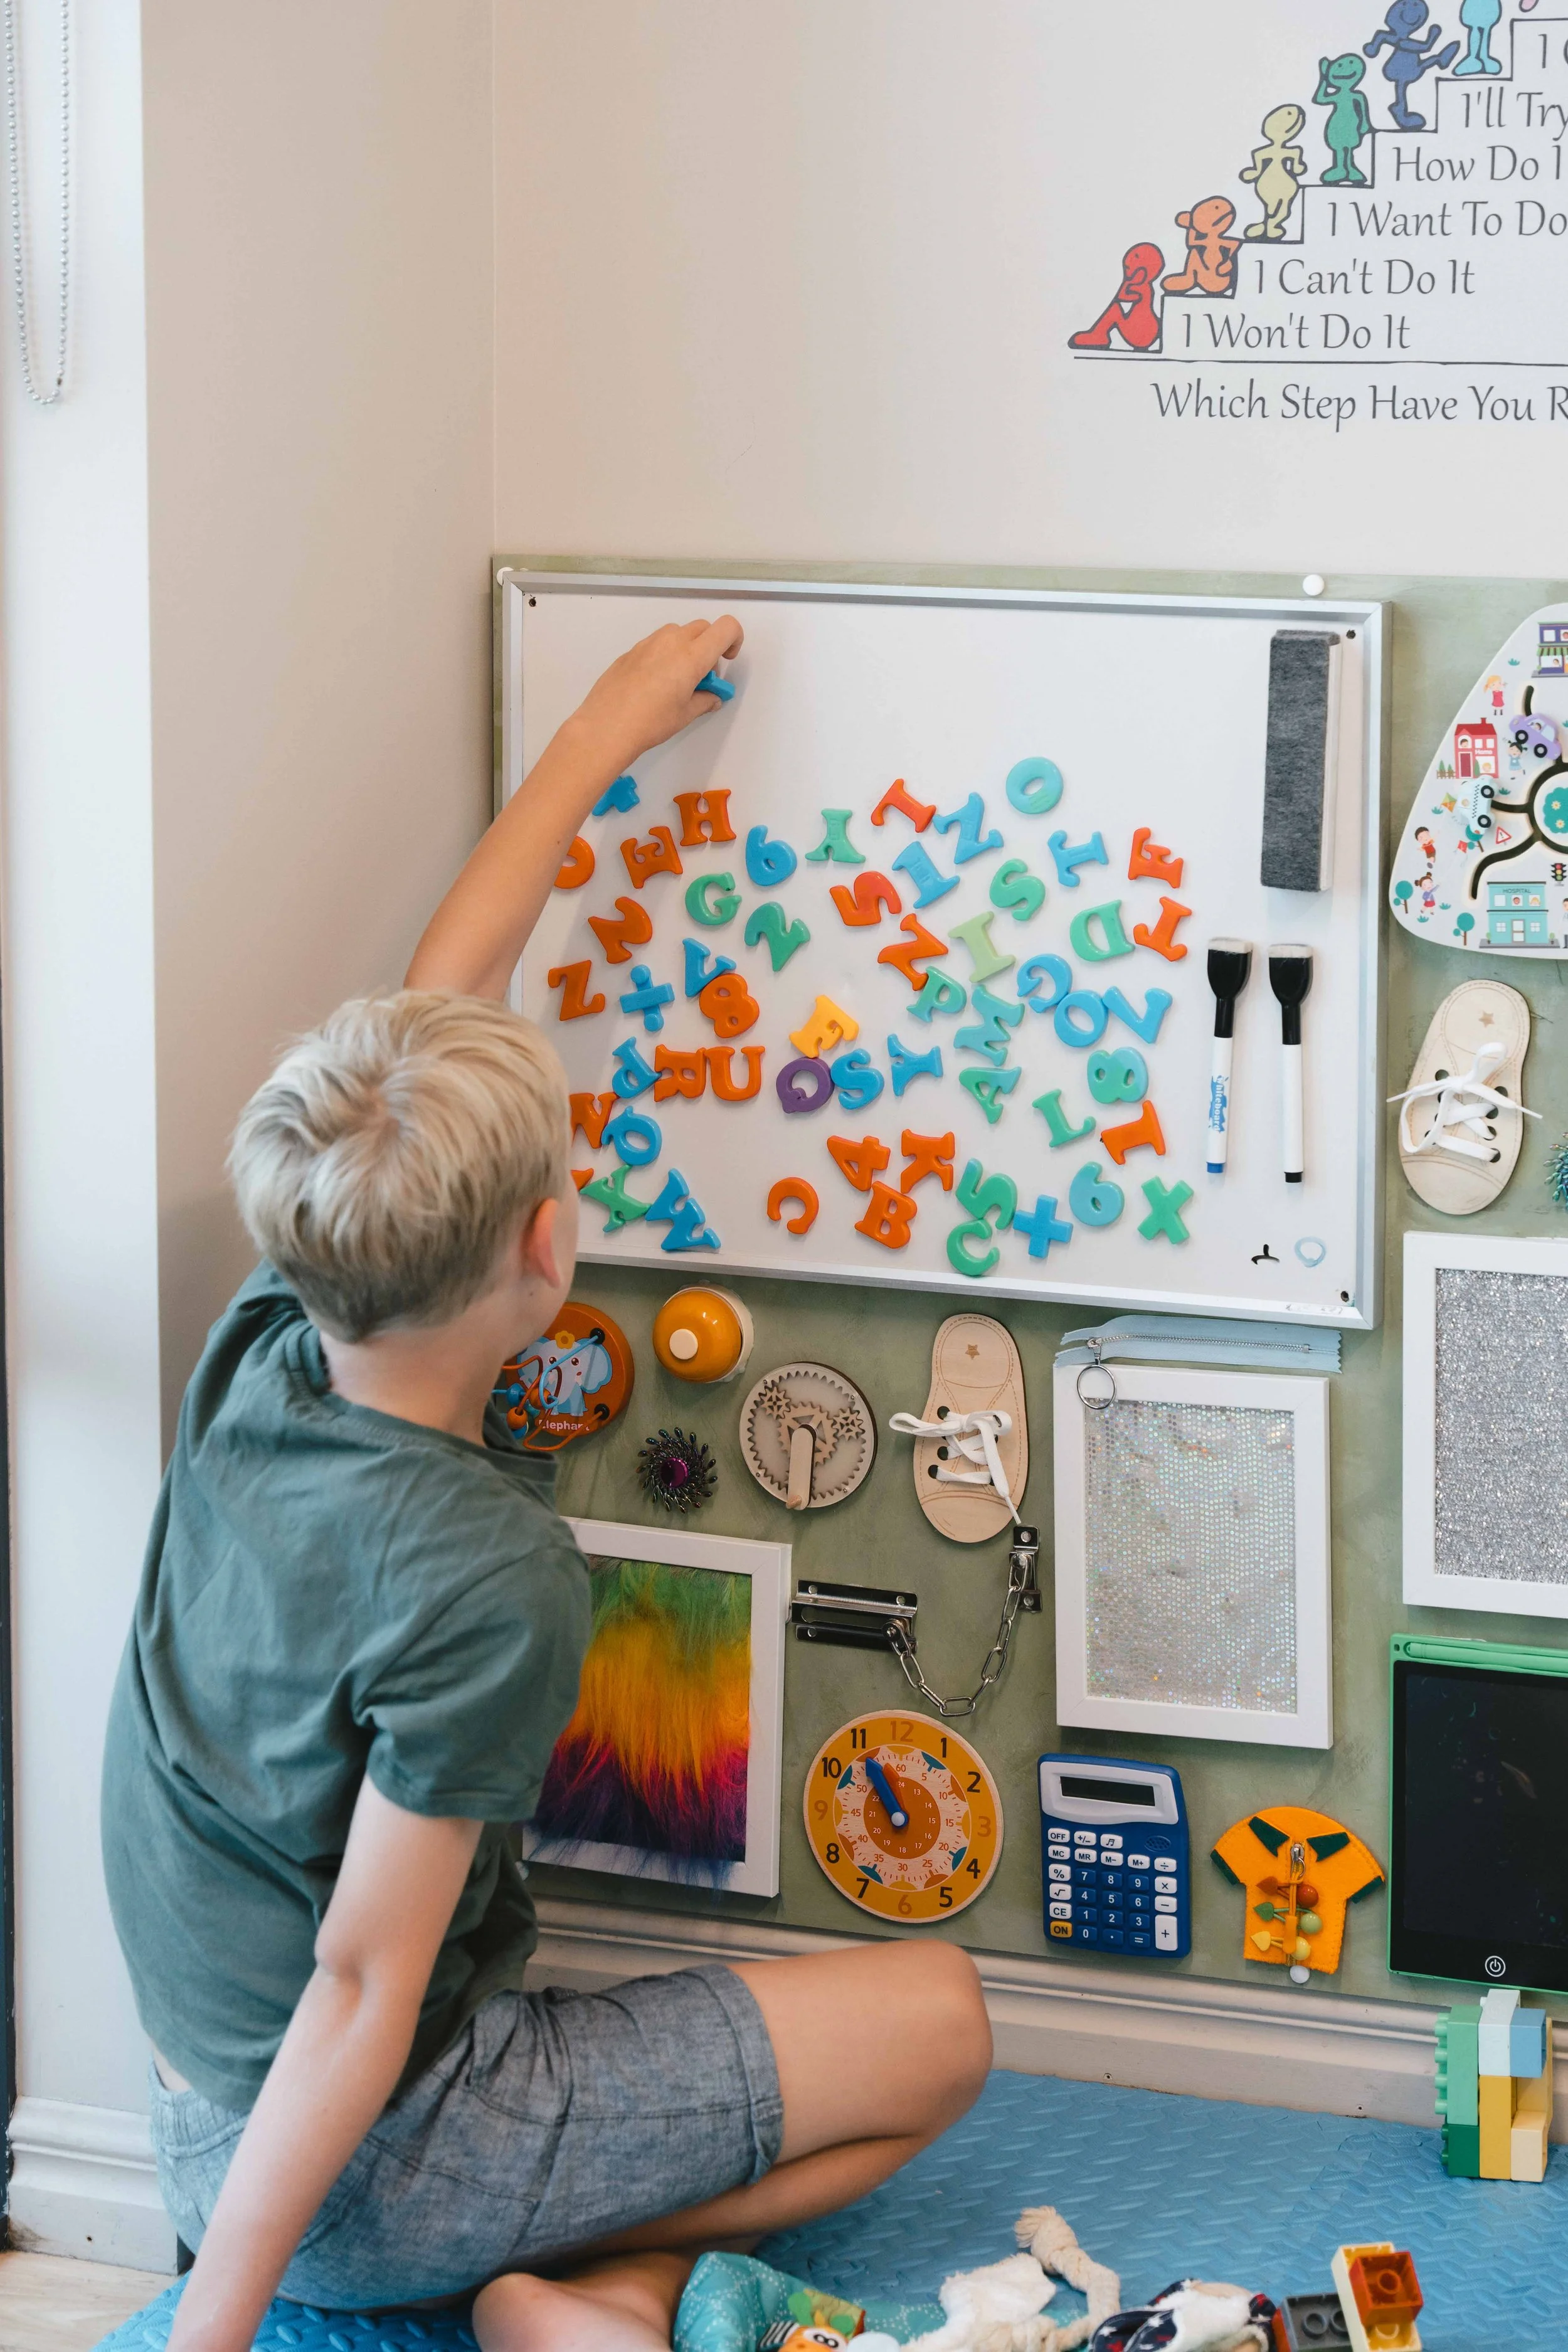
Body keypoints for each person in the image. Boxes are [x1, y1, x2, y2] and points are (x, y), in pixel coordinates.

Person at [101, 614, 992, 2352]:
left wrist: (598, 734)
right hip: (363, 2148)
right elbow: (364, 1980)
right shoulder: (488, 1569)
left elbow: (448, 985)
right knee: (940, 2024)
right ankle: (578, 2288)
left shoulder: (270, 1343)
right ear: (548, 1245)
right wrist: (216, 2323)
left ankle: (562, 2276)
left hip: (198, 2096)